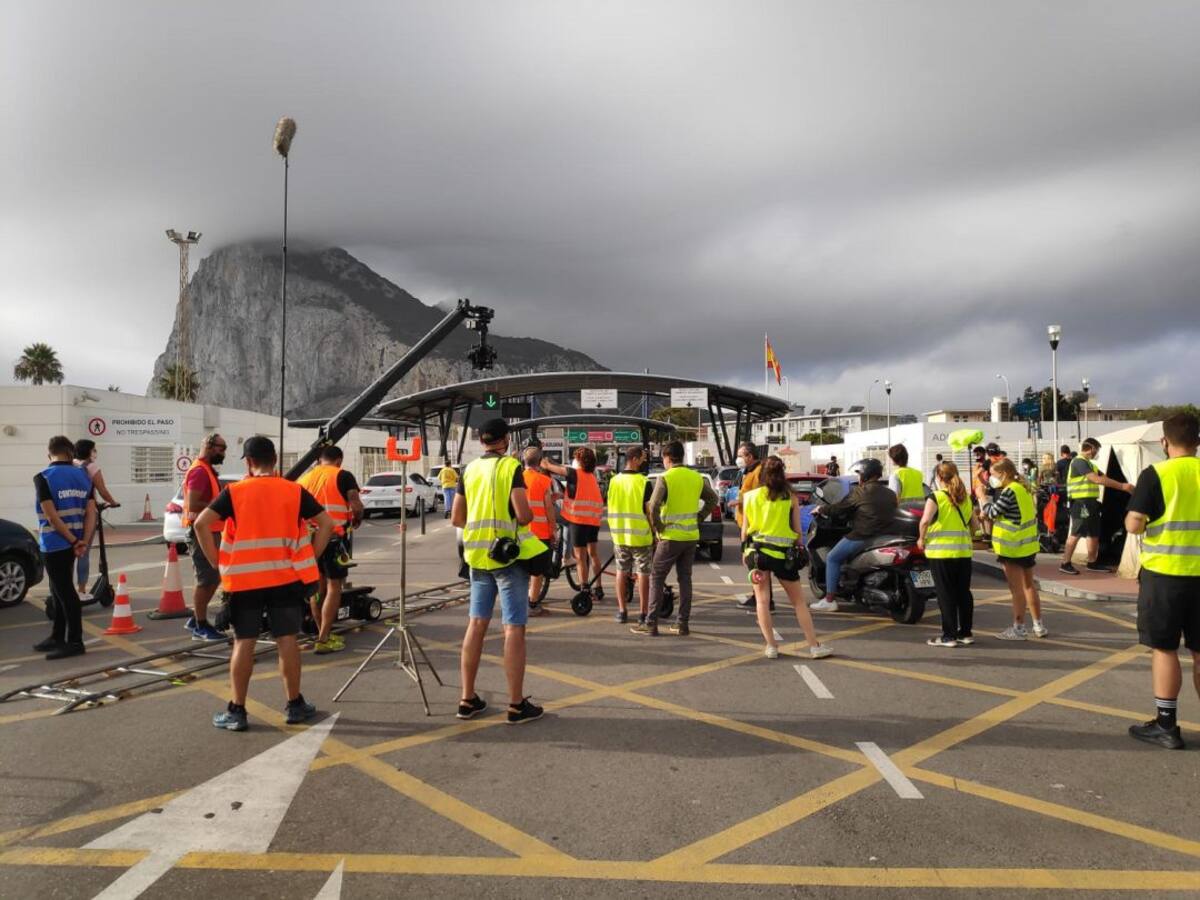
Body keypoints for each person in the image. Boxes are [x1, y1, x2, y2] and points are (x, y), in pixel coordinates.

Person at [193, 435, 334, 731]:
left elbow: (200, 524)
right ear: (275, 461)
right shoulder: (293, 491)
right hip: (285, 579)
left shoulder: (235, 492)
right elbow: (327, 524)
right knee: (287, 640)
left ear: (248, 462)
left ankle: (237, 710)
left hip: (244, 582)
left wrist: (216, 562)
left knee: (245, 642)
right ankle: (295, 705)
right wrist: (311, 554)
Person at [453, 418, 546, 725]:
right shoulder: (510, 468)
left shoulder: (468, 470)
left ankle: (467, 699)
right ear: (506, 440)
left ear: (481, 441)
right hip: (507, 560)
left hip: (477, 559)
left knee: (476, 624)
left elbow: (457, 517)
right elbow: (522, 514)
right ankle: (516, 705)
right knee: (513, 627)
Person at [1124, 412, 1200, 750]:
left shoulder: (1155, 473)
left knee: (1165, 649)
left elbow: (1134, 525)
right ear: (1197, 442)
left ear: (1164, 442)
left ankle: (1167, 726)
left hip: (1165, 576)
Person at [741, 456, 831, 659]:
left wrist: (744, 553)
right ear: (782, 473)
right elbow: (798, 531)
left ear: (762, 475)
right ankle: (814, 646)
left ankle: (771, 646)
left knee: (762, 602)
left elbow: (745, 531)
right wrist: (799, 547)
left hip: (758, 554)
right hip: (784, 556)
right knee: (798, 602)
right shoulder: (789, 497)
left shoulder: (750, 496)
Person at [631, 440, 719, 637]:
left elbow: (652, 507)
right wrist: (699, 517)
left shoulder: (666, 478)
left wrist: (658, 528)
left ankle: (651, 623)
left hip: (670, 537)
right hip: (690, 537)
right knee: (685, 579)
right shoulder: (696, 478)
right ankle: (682, 624)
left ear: (667, 458)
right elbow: (713, 499)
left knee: (656, 577)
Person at [33, 436, 96, 660]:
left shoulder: (43, 478)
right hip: (74, 543)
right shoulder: (83, 476)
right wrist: (82, 542)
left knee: (64, 592)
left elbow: (51, 517)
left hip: (54, 543)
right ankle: (57, 636)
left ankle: (75, 641)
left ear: (50, 453)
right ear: (70, 453)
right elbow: (91, 513)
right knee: (59, 590)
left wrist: (71, 540)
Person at [297, 446, 364, 654]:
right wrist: (356, 520)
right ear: (339, 460)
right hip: (333, 539)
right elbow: (356, 505)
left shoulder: (304, 479)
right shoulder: (342, 475)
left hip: (308, 540)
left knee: (316, 588)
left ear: (319, 460)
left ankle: (321, 632)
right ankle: (324, 638)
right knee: (334, 586)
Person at [809, 458, 897, 612]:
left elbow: (839, 508)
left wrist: (821, 510)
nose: (858, 477)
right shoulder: (890, 493)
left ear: (865, 474)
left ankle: (829, 600)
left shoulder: (860, 492)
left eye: (859, 474)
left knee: (832, 558)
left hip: (863, 536)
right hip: (885, 536)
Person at [983, 458, 1046, 640]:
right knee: (1029, 586)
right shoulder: (1022, 489)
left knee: (1016, 589)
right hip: (1027, 546)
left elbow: (993, 513)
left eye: (993, 476)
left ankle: (1018, 628)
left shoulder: (1009, 492)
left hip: (1012, 547)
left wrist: (982, 499)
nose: (991, 480)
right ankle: (1038, 625)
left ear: (1003, 474)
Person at [917, 461, 978, 647]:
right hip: (963, 552)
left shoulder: (935, 497)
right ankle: (965, 633)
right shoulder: (965, 497)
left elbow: (925, 521)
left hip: (941, 553)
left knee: (945, 595)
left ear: (938, 477)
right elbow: (974, 526)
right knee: (963, 593)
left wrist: (921, 539)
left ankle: (948, 636)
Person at [1059, 437, 1134, 575]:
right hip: (1081, 502)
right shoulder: (1079, 462)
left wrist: (1124, 485)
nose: (1097, 453)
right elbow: (1096, 479)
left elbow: (1104, 477)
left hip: (1091, 502)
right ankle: (1065, 562)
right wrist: (1123, 486)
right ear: (1090, 448)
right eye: (1096, 450)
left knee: (1093, 533)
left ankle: (1092, 562)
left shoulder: (1089, 464)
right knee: (1076, 532)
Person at [541, 448, 604, 601]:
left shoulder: (574, 473)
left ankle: (584, 589)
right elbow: (579, 492)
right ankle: (598, 588)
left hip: (578, 520)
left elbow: (549, 466)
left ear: (579, 461)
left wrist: (543, 460)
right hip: (593, 521)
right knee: (593, 554)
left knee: (580, 557)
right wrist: (563, 495)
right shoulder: (591, 477)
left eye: (575, 458)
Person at [182, 433, 228, 641]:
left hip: (211, 530)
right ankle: (200, 625)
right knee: (206, 579)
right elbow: (193, 504)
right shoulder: (200, 471)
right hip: (201, 532)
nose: (223, 453)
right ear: (209, 446)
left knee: (213, 577)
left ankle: (196, 618)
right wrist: (221, 506)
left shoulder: (207, 470)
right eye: (221, 448)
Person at [606, 446, 653, 625]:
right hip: (640, 535)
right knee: (643, 573)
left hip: (619, 535)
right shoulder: (643, 482)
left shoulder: (614, 481)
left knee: (621, 571)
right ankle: (643, 612)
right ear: (633, 459)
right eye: (642, 458)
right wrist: (655, 532)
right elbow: (649, 511)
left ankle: (622, 611)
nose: (643, 462)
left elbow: (609, 505)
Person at [72, 438, 119, 600]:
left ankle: (65, 588)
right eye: (94, 450)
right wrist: (113, 502)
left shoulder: (70, 464)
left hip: (71, 510)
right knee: (83, 551)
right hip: (87, 511)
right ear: (89, 451)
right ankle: (82, 590)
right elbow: (102, 490)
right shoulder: (90, 466)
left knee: (69, 552)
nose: (95, 453)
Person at [731, 442, 773, 611]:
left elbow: (759, 496)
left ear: (750, 456)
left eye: (741, 455)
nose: (739, 459)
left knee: (756, 564)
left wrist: (740, 501)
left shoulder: (758, 472)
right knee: (754, 564)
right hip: (747, 522)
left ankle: (763, 599)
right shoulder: (748, 472)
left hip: (755, 525)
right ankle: (760, 596)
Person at [522, 446, 559, 616]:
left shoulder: (517, 479)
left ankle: (519, 602)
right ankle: (532, 604)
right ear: (539, 462)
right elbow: (549, 509)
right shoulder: (544, 481)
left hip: (520, 534)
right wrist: (553, 530)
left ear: (524, 461)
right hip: (540, 534)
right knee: (537, 573)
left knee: (520, 571)